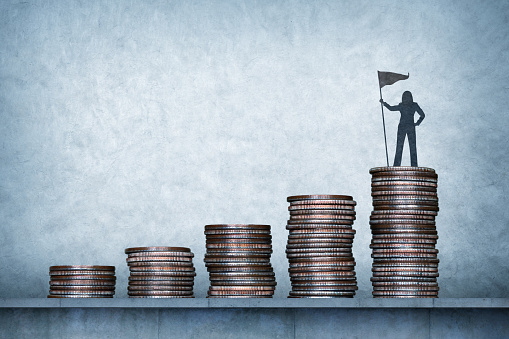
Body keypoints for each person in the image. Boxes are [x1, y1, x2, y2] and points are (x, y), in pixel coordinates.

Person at [380, 91, 425, 167]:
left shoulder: (407, 105)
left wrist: (384, 103)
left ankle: (397, 166)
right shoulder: (412, 105)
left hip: (404, 127)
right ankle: (413, 166)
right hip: (408, 127)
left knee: (401, 147)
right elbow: (422, 115)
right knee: (410, 147)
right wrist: (417, 123)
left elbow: (391, 108)